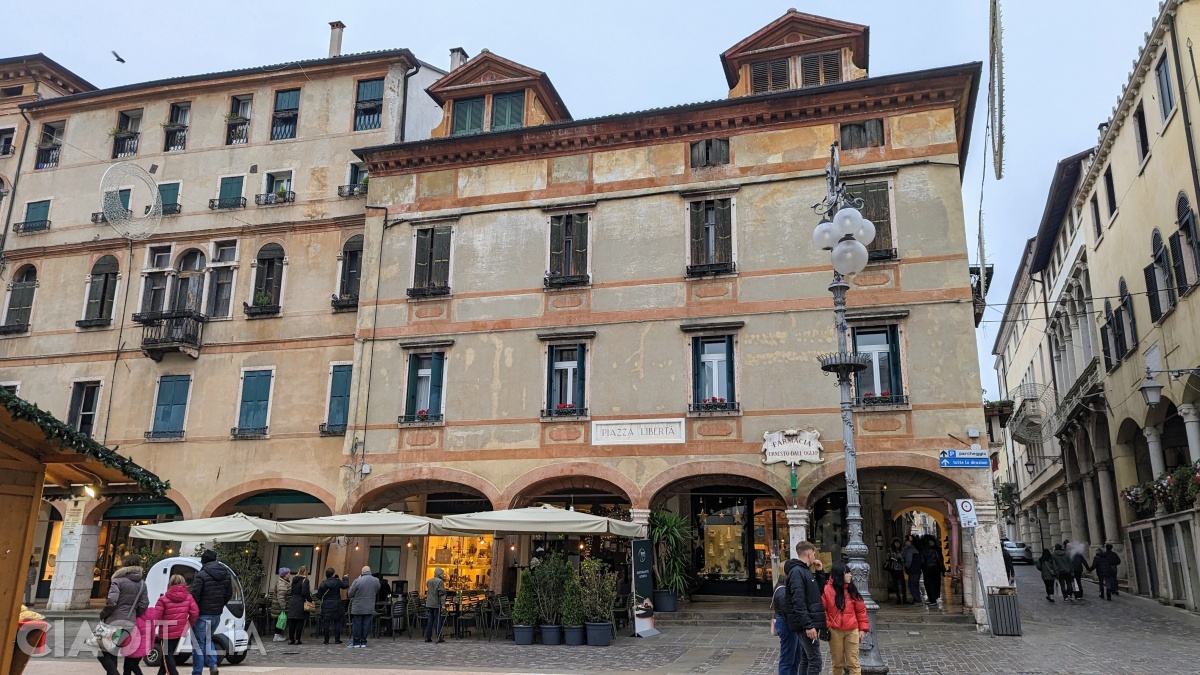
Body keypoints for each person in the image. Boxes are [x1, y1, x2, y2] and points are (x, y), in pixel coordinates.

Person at [98, 554, 150, 675]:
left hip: (113, 621)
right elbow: (144, 603)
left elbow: (111, 601)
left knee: (102, 653)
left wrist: (103, 614)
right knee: (113, 652)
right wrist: (133, 613)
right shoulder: (142, 584)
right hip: (129, 622)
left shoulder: (117, 580)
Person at [782, 541, 826, 675]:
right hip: (805, 623)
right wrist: (808, 625)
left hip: (808, 621)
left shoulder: (805, 571)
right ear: (809, 554)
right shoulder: (797, 572)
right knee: (815, 660)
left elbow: (817, 592)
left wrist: (820, 572)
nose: (814, 557)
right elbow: (798, 601)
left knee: (806, 658)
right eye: (814, 554)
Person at [821, 562, 869, 675]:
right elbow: (822, 610)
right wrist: (828, 624)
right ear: (839, 575)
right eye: (847, 573)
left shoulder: (852, 590)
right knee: (837, 663)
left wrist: (862, 629)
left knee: (853, 662)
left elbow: (861, 611)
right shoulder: (827, 589)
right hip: (835, 631)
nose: (850, 575)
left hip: (852, 630)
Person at [189, 549, 231, 675]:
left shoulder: (201, 575)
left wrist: (193, 609)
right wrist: (220, 605)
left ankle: (197, 671)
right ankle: (213, 664)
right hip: (216, 614)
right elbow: (229, 593)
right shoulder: (226, 574)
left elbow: (195, 594)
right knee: (208, 640)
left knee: (198, 643)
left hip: (202, 614)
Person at [147, 574, 198, 675]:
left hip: (165, 633)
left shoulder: (163, 599)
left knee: (167, 658)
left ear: (170, 583)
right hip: (179, 632)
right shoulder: (189, 597)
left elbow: (156, 618)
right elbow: (195, 613)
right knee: (167, 658)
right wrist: (188, 625)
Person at [347, 565, 381, 648]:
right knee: (366, 625)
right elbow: (377, 589)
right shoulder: (376, 581)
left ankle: (356, 642)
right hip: (369, 606)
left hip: (358, 607)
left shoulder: (357, 581)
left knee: (357, 625)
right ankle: (363, 642)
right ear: (370, 571)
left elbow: (350, 594)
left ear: (362, 572)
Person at [770, 577, 798, 675]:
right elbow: (786, 611)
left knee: (794, 657)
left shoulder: (784, 587)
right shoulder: (782, 591)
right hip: (787, 623)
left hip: (788, 622)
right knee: (787, 658)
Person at [316, 568, 349, 644]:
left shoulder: (323, 583)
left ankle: (326, 640)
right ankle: (337, 639)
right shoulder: (337, 581)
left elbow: (319, 595)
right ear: (333, 574)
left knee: (326, 622)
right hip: (336, 604)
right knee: (337, 622)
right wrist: (345, 578)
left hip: (326, 605)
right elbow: (345, 586)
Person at [286, 566, 311, 645]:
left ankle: (291, 639)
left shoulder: (294, 579)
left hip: (293, 600)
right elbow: (305, 592)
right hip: (301, 600)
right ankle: (297, 639)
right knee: (300, 620)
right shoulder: (305, 580)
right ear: (306, 571)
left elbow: (292, 591)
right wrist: (310, 600)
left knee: (292, 620)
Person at [424, 567, 447, 643]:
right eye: (442, 574)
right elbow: (442, 593)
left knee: (430, 619)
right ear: (439, 574)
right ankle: (439, 637)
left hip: (429, 603)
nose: (443, 575)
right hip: (436, 603)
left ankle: (427, 637)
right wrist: (443, 604)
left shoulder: (429, 581)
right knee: (437, 619)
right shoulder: (440, 581)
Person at [920, 534, 945, 605]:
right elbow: (940, 559)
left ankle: (932, 599)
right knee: (936, 583)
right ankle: (935, 597)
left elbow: (922, 561)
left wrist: (922, 567)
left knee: (928, 584)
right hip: (936, 569)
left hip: (927, 569)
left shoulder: (924, 550)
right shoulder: (937, 549)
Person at [269, 568, 291, 643]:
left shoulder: (284, 582)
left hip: (277, 606)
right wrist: (283, 606)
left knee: (279, 619)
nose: (289, 574)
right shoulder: (282, 584)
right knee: (279, 620)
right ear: (285, 575)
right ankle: (277, 635)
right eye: (288, 573)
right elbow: (281, 597)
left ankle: (278, 634)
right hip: (279, 607)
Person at [884, 538, 908, 604]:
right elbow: (887, 558)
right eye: (896, 543)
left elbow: (905, 558)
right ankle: (898, 598)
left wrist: (901, 560)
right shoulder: (890, 550)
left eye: (898, 543)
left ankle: (904, 598)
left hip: (900, 568)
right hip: (893, 568)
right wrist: (892, 559)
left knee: (903, 583)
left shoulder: (902, 550)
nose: (897, 544)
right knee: (895, 584)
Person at [902, 535, 923, 605]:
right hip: (917, 570)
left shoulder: (909, 551)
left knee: (912, 585)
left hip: (913, 570)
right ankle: (917, 599)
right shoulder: (916, 550)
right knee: (916, 585)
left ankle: (918, 600)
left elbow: (908, 561)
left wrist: (906, 567)